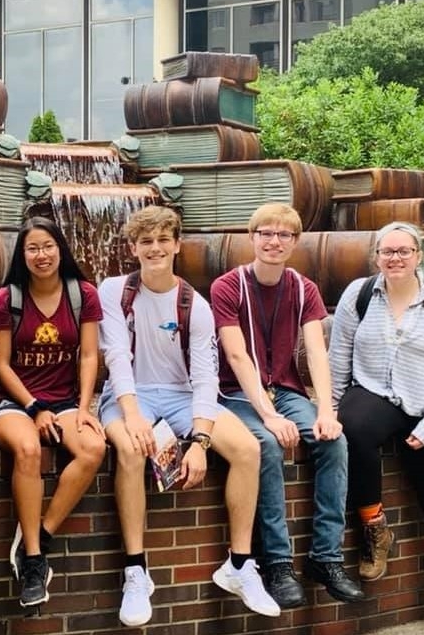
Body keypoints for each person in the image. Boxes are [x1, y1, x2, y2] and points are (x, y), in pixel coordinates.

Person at [97, 205, 279, 627]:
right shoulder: (112, 291)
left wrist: (199, 442)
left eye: (163, 240)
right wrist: (133, 415)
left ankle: (238, 564)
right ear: (133, 248)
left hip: (180, 397)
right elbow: (116, 359)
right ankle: (136, 571)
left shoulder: (194, 305)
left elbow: (204, 378)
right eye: (146, 241)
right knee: (127, 449)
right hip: (130, 396)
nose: (155, 248)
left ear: (177, 245)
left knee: (249, 449)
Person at [209, 203, 364, 608]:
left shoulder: (303, 288)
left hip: (289, 393)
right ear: (252, 237)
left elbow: (316, 352)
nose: (274, 241)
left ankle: (325, 558)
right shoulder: (228, 286)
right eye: (266, 233)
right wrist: (269, 415)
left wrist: (327, 411)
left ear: (295, 242)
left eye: (283, 235)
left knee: (333, 443)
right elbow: (238, 357)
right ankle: (277, 563)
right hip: (237, 395)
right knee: (267, 445)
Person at [330, 222, 424, 635]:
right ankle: (374, 527)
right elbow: (339, 356)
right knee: (350, 426)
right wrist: (335, 407)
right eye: (387, 251)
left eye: (404, 251)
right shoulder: (358, 296)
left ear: (418, 256)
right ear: (376, 255)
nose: (395, 258)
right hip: (376, 394)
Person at [0, 216, 106, 608]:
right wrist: (33, 407)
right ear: (22, 255)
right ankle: (35, 561)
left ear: (61, 249)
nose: (42, 255)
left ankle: (41, 533)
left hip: (65, 400)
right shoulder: (9, 298)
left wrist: (86, 407)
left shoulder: (83, 294)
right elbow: (1, 365)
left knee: (93, 449)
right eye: (33, 248)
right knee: (29, 450)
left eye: (48, 246)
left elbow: (89, 354)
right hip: (12, 401)